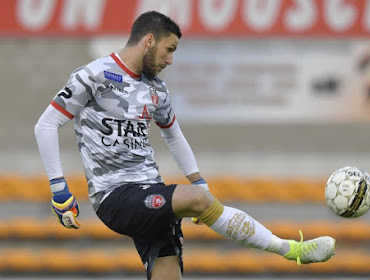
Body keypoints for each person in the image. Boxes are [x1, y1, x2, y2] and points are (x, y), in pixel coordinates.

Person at [34, 11, 335, 280]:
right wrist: (59, 189)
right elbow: (46, 124)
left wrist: (198, 180)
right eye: (169, 50)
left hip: (149, 191)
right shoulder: (94, 75)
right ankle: (291, 250)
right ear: (149, 41)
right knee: (197, 199)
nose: (170, 61)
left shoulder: (157, 90)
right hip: (114, 196)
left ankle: (287, 248)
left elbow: (173, 134)